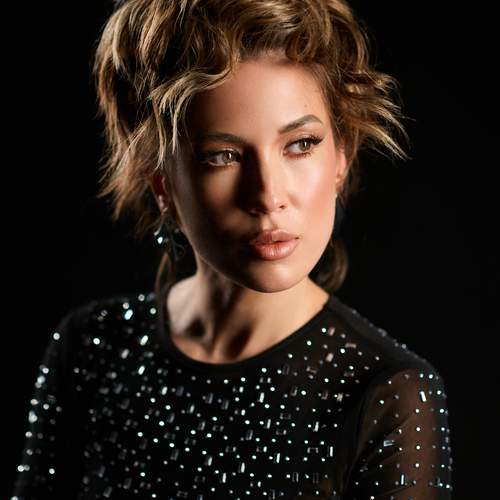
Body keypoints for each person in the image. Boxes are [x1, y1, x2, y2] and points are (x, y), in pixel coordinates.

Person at [11, 0, 453, 498]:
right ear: (161, 183)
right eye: (222, 155)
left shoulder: (389, 394)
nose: (267, 195)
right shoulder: (92, 350)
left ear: (341, 157)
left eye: (301, 144)